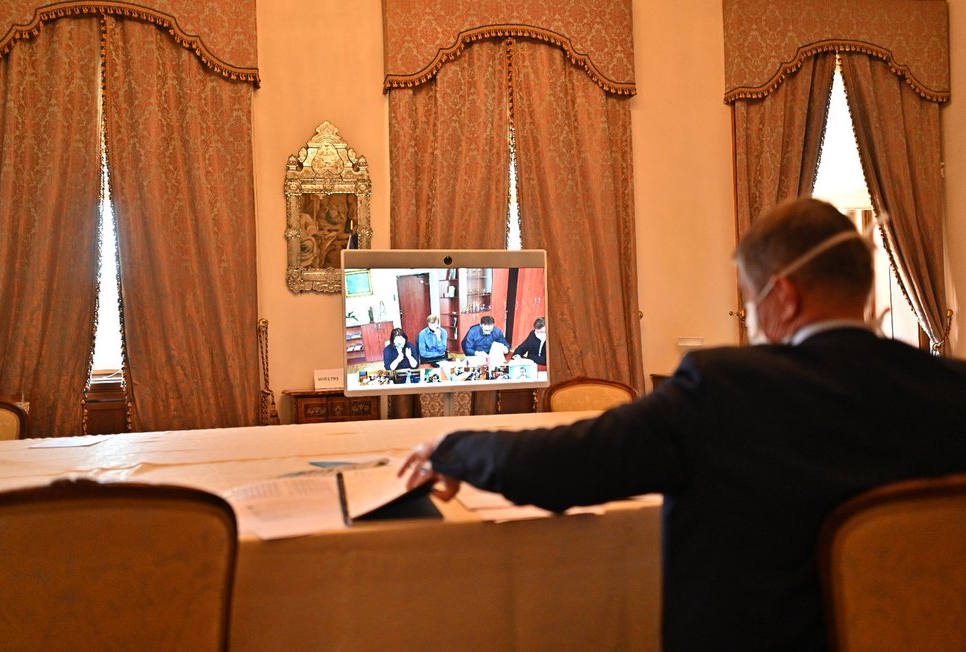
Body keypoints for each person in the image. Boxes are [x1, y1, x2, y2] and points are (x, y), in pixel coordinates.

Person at [400, 198, 966, 652]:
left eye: (752, 300)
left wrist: (451, 448)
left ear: (785, 297)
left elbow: (568, 463)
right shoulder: (954, 389)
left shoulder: (724, 388)